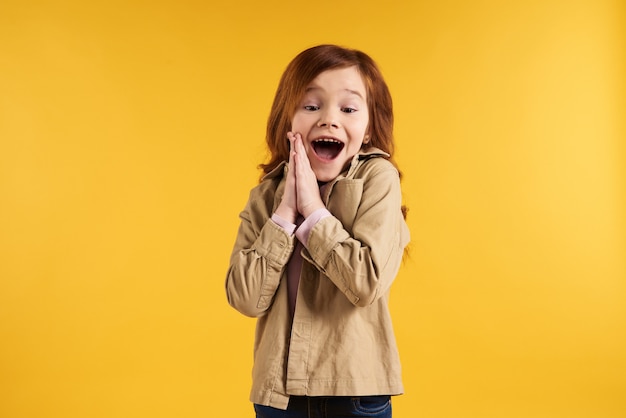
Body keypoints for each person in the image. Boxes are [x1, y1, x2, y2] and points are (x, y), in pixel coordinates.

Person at [225, 44, 410, 418]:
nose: (329, 119)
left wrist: (312, 211)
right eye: (311, 106)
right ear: (287, 122)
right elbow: (244, 297)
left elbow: (365, 283)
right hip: (277, 395)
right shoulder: (265, 197)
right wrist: (285, 214)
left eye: (348, 108)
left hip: (354, 390)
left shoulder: (378, 179)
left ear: (369, 127)